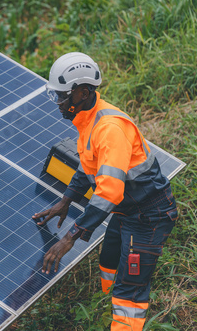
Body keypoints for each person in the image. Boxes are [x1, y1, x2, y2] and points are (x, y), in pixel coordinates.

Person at [32, 52, 178, 330]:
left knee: (130, 291)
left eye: (62, 96)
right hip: (127, 208)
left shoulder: (109, 129)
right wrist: (65, 201)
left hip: (149, 215)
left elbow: (109, 191)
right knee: (109, 256)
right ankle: (103, 303)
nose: (58, 104)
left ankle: (123, 317)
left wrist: (71, 237)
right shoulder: (88, 120)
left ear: (83, 93)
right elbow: (89, 165)